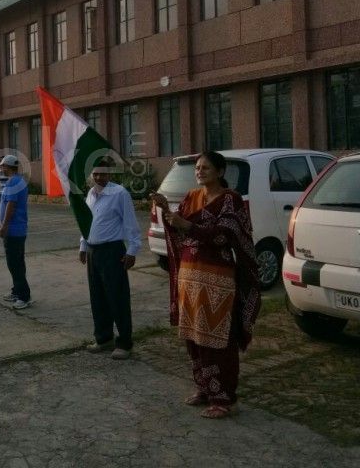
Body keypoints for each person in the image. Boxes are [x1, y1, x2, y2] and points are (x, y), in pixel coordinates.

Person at [151, 151, 261, 419]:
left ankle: (225, 398)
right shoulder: (191, 196)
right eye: (198, 168)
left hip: (218, 279)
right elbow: (179, 229)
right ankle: (204, 388)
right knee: (194, 336)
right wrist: (166, 210)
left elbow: (223, 236)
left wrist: (186, 225)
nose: (200, 171)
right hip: (189, 277)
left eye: (206, 168)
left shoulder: (230, 200)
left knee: (218, 339)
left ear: (221, 172)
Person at [77, 156, 141, 360]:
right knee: (98, 297)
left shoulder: (119, 193)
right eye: (95, 173)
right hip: (93, 251)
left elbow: (131, 224)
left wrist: (132, 251)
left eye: (103, 173)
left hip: (113, 251)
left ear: (110, 173)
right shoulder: (91, 194)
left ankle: (124, 342)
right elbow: (87, 222)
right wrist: (83, 245)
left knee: (117, 297)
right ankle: (104, 338)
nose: (98, 177)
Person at [0, 155, 31, 310]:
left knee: (14, 263)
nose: (1, 169)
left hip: (13, 229)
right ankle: (16, 291)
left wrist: (4, 226)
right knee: (17, 262)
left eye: (2, 166)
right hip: (18, 228)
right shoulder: (19, 180)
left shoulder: (12, 182)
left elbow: (11, 205)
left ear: (8, 167)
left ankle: (24, 297)